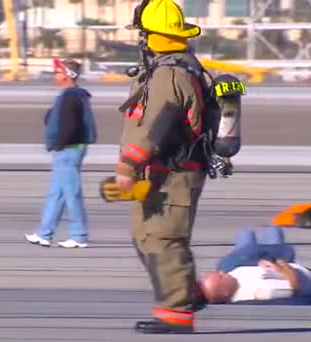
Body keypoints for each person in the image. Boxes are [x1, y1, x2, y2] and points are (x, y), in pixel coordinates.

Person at [114, 0, 211, 334]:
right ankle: (185, 290)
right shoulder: (164, 70)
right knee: (143, 236)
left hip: (174, 172)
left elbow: (162, 126)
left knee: (164, 239)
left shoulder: (170, 74)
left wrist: (128, 166)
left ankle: (176, 313)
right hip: (154, 173)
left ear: (151, 37)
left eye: (142, 33)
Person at [24, 58, 97, 248]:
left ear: (67, 75)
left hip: (67, 150)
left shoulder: (70, 96)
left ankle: (79, 235)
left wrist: (58, 144)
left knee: (72, 194)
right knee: (56, 194)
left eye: (57, 72)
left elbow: (68, 125)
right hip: (69, 150)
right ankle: (44, 233)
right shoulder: (75, 95)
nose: (55, 76)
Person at [201, 227, 311, 304]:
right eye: (221, 277)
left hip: (246, 264)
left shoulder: (230, 279)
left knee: (246, 234)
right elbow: (295, 287)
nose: (222, 273)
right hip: (288, 268)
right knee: (273, 231)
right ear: (225, 293)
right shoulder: (261, 292)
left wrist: (261, 263)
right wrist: (279, 264)